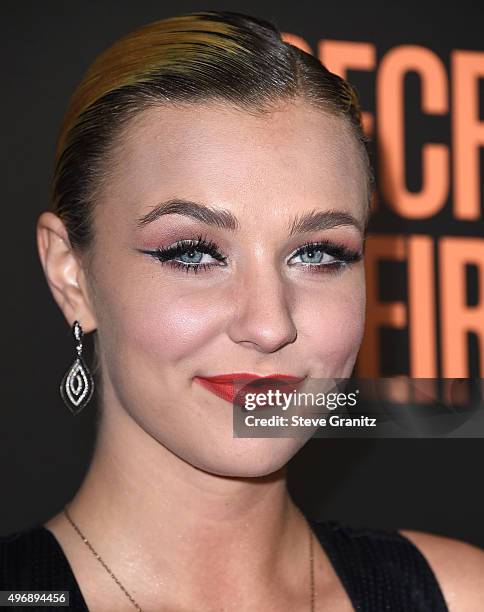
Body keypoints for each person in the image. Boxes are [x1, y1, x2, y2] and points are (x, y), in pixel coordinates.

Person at [1, 9, 483, 611]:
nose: (269, 324)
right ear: (71, 274)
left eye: (318, 253)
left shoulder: (461, 595)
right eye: (195, 253)